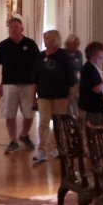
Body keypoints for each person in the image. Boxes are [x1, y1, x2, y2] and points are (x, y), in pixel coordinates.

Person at [0, 17, 40, 155]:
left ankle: (24, 135)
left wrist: (38, 84)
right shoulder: (3, 45)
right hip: (9, 84)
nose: (13, 29)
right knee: (10, 113)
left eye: (16, 27)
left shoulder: (30, 44)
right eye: (11, 27)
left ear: (22, 29)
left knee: (29, 113)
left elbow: (38, 65)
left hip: (28, 84)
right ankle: (13, 141)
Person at [32, 29, 77, 163]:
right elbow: (35, 77)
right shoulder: (40, 56)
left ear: (55, 40)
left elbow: (70, 77)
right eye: (44, 37)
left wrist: (71, 94)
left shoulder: (63, 56)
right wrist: (33, 95)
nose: (45, 40)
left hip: (60, 95)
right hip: (44, 95)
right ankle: (42, 151)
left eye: (48, 38)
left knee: (59, 123)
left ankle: (56, 147)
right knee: (43, 122)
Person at [78, 41, 103, 126]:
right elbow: (96, 89)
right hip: (90, 109)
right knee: (92, 135)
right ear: (90, 56)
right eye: (99, 57)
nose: (102, 60)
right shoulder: (88, 69)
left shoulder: (98, 68)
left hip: (97, 108)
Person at [64, 33, 84, 116]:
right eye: (74, 43)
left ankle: (75, 119)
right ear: (68, 43)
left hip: (77, 81)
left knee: (76, 101)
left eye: (77, 44)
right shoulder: (63, 53)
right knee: (68, 102)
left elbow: (80, 66)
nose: (76, 46)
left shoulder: (79, 54)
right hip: (67, 82)